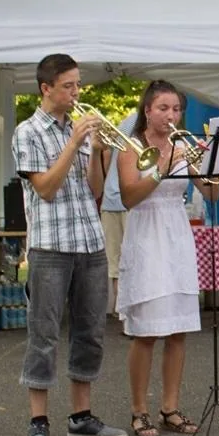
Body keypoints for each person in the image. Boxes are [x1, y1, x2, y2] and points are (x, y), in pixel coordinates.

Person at [11, 54, 126, 436]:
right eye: (69, 86)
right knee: (43, 334)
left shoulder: (79, 131)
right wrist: (74, 142)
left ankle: (81, 418)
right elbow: (45, 188)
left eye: (78, 85)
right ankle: (38, 422)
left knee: (90, 331)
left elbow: (94, 189)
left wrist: (94, 151)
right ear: (46, 89)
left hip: (90, 242)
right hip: (50, 246)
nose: (77, 93)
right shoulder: (28, 132)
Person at [115, 81, 218, 436]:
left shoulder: (182, 144)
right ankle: (138, 409)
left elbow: (211, 192)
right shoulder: (131, 147)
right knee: (146, 333)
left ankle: (170, 407)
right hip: (147, 236)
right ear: (148, 110)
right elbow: (130, 197)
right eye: (163, 108)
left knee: (178, 331)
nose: (171, 116)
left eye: (176, 109)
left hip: (176, 235)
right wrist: (162, 166)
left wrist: (210, 164)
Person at [96, 112, 136, 316]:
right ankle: (130, 313)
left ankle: (120, 312)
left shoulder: (124, 122)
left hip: (110, 199)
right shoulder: (141, 121)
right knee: (133, 260)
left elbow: (106, 155)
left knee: (114, 263)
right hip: (129, 200)